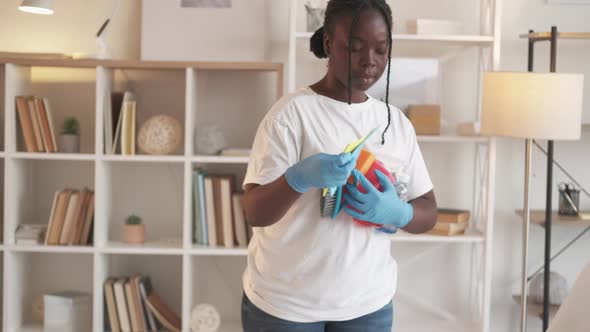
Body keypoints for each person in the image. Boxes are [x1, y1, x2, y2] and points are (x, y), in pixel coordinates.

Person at [240, 0, 438, 331]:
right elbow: (254, 212)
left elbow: (428, 212)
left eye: (381, 49)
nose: (369, 62)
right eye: (356, 48)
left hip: (368, 307)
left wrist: (396, 212)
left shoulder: (396, 124)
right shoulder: (292, 114)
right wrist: (297, 178)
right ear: (330, 43)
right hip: (285, 307)